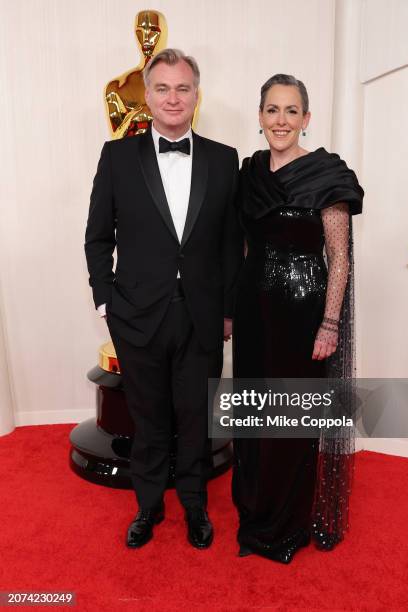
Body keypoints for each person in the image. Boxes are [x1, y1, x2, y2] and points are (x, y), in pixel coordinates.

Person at [85, 48, 243, 550]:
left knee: (196, 417)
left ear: (197, 95)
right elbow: (97, 237)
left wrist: (228, 310)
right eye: (163, 88)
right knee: (150, 419)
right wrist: (106, 301)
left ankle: (194, 505)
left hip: (201, 316)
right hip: (136, 316)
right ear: (148, 96)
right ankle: (148, 506)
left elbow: (229, 242)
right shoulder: (117, 157)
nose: (173, 98)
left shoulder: (223, 159)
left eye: (183, 88)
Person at [232, 74, 363, 563]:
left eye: (291, 111)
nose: (281, 120)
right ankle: (254, 512)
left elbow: (339, 257)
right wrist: (234, 307)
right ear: (260, 115)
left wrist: (329, 324)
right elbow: (247, 246)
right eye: (272, 110)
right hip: (253, 311)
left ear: (306, 119)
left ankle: (283, 526)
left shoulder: (327, 174)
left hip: (303, 313)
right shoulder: (249, 175)